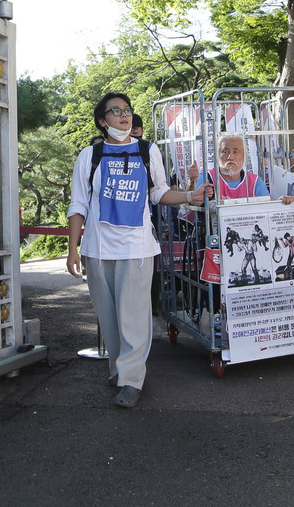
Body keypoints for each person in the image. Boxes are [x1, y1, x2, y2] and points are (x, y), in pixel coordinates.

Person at [67, 93, 211, 408]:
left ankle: (132, 380)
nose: (124, 116)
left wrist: (189, 195)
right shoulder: (89, 156)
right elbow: (78, 203)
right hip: (98, 249)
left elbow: (159, 192)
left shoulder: (148, 151)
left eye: (128, 111)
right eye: (116, 111)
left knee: (133, 316)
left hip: (137, 248)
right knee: (109, 318)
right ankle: (120, 370)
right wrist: (73, 249)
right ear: (102, 121)